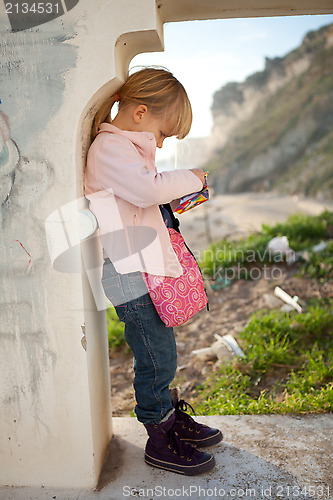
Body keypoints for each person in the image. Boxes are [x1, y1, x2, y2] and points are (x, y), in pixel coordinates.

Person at [85, 67, 222, 476]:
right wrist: (192, 177)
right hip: (125, 271)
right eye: (163, 134)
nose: (161, 144)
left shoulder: (127, 151)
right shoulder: (110, 149)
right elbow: (147, 188)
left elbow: (142, 199)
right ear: (141, 113)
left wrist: (175, 200)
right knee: (153, 353)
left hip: (136, 266)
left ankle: (167, 415)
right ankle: (159, 436)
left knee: (162, 350)